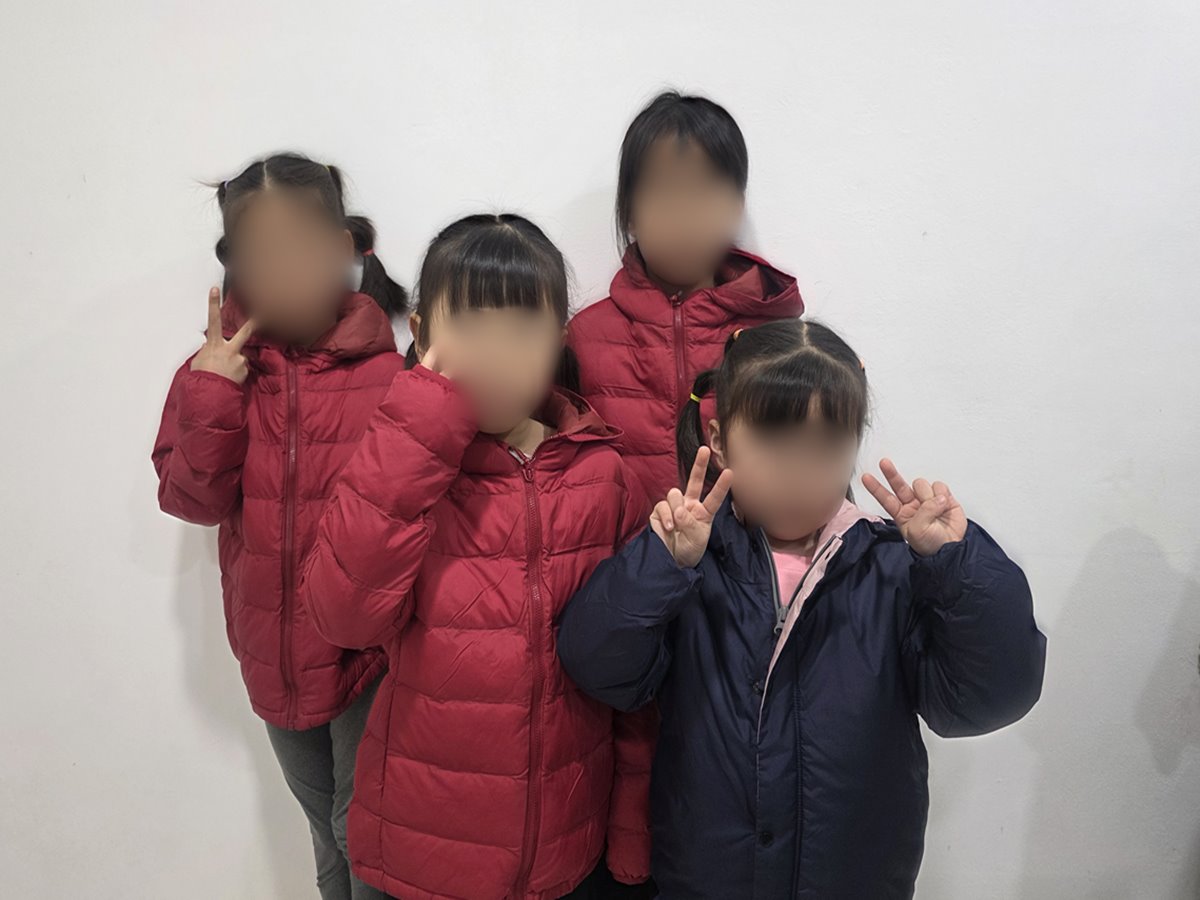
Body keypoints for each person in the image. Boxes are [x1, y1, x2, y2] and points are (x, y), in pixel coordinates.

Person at [558, 319, 1047, 898]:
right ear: (719, 439)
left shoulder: (889, 567)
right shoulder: (692, 562)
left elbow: (988, 697)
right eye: (774, 443)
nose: (799, 475)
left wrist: (953, 563)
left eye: (826, 448)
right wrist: (660, 566)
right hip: (707, 880)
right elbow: (601, 669)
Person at [299, 214, 654, 899]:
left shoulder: (603, 473)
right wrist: (415, 436)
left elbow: (632, 679)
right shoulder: (399, 462)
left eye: (522, 331)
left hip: (562, 854)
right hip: (421, 851)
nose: (497, 358)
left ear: (559, 337)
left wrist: (631, 836)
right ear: (422, 329)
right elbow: (342, 619)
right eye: (471, 328)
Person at [152, 152, 405, 900]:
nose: (285, 272)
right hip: (271, 655)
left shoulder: (391, 375)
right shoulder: (211, 373)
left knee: (364, 835)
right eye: (261, 255)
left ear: (345, 247)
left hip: (368, 655)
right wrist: (211, 395)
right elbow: (190, 500)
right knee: (327, 835)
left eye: (301, 248)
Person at [568, 90, 804, 502]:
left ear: (736, 207)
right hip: (629, 546)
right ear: (629, 212)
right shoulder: (582, 339)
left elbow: (809, 467)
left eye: (705, 192)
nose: (684, 216)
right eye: (664, 193)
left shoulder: (780, 339)